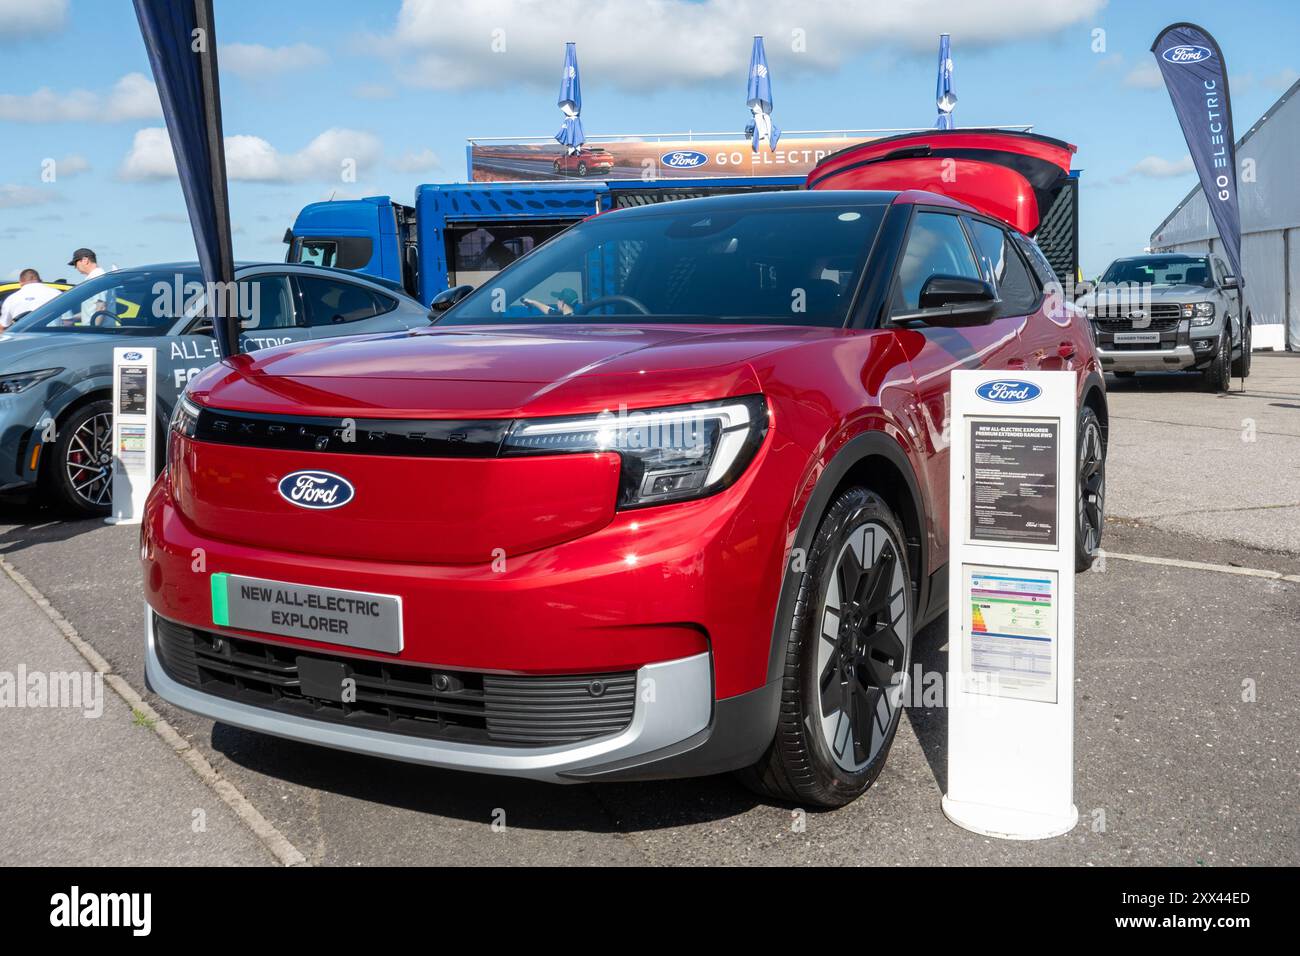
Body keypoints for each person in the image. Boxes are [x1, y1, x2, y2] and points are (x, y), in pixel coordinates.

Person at [0, 269, 62, 333]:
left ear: (20, 282)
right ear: (40, 280)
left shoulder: (11, 299)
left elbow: (2, 327)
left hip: (21, 340)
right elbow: (67, 320)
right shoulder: (57, 294)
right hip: (52, 339)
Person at [69, 248, 108, 325]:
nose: (75, 267)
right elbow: (91, 310)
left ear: (85, 260)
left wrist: (94, 330)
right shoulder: (97, 277)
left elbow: (101, 307)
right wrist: (73, 318)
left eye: (75, 264)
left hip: (96, 334)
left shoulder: (97, 278)